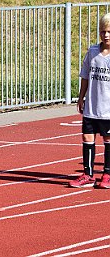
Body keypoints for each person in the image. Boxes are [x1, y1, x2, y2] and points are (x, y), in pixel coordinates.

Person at [69, 13, 110, 189]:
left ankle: (107, 174)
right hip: (92, 106)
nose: (106, 35)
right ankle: (88, 174)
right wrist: (81, 97)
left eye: (109, 31)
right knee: (87, 137)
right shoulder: (92, 52)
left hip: (108, 109)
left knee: (108, 139)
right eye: (103, 31)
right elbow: (85, 76)